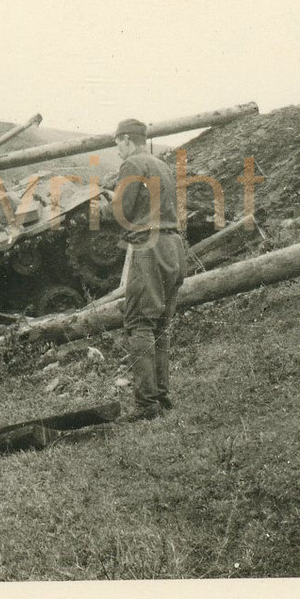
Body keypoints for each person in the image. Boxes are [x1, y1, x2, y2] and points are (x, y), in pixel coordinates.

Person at [98, 118, 186, 420]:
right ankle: (162, 397)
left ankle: (147, 405)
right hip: (174, 244)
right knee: (160, 325)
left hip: (150, 247)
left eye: (117, 143)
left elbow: (120, 212)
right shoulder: (160, 165)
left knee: (140, 325)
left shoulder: (132, 165)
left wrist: (96, 207)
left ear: (125, 140)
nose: (117, 149)